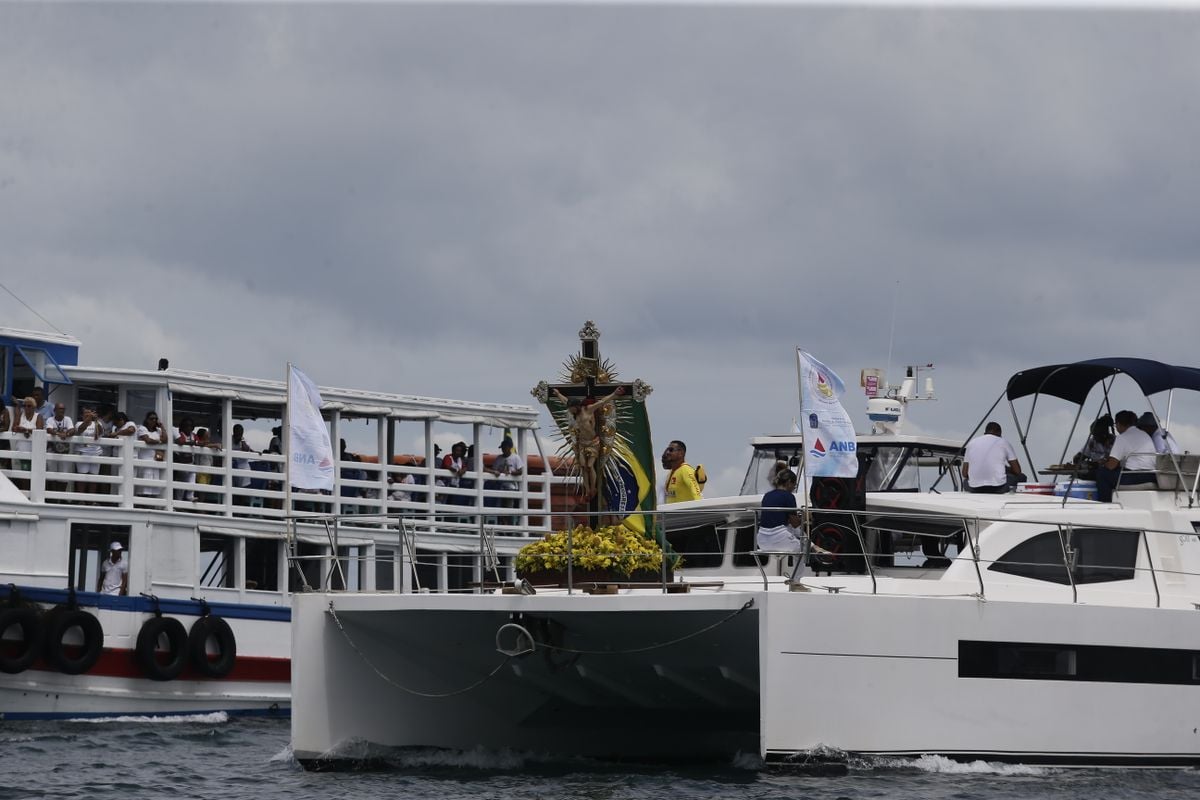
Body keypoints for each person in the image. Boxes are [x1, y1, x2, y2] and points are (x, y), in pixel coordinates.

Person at [551, 386, 624, 499]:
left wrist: (615, 394)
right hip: (582, 443)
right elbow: (565, 400)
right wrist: (557, 393)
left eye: (571, 409)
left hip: (593, 442)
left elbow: (602, 402)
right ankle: (587, 490)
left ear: (576, 406)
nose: (570, 411)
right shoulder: (574, 412)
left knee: (590, 466)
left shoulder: (588, 409)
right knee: (583, 466)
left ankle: (593, 487)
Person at [1096, 410, 1158, 502]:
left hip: (1136, 477)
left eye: (1115, 425)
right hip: (1152, 475)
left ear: (1118, 424)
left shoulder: (1122, 437)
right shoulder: (1144, 434)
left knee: (1102, 473)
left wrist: (1102, 463)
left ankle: (1105, 503)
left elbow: (1111, 466)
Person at [962, 422, 1022, 494]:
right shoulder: (1003, 442)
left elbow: (965, 473)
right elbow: (1017, 471)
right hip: (999, 487)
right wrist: (1006, 469)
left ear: (985, 432)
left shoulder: (972, 443)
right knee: (1022, 477)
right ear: (999, 433)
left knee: (966, 481)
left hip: (974, 488)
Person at [756, 468, 806, 552]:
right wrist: (804, 518)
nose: (794, 488)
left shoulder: (767, 495)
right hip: (778, 538)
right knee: (803, 549)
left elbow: (774, 519)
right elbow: (795, 524)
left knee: (789, 530)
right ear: (789, 482)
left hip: (762, 540)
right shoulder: (788, 496)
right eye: (794, 485)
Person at [487, 436, 524, 525]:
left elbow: (520, 471)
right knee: (499, 507)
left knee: (508, 508)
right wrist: (498, 472)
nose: (503, 449)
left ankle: (509, 527)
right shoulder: (499, 458)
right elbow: (494, 469)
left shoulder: (516, 458)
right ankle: (501, 526)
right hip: (499, 487)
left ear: (510, 448)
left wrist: (510, 472)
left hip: (511, 488)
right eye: (502, 447)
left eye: (505, 447)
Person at [10, 397, 44, 486]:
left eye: (29, 406)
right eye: (24, 405)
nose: (26, 408)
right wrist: (21, 429)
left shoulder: (38, 416)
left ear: (34, 407)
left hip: (34, 451)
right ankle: (25, 495)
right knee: (23, 474)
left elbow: (39, 430)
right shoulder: (21, 415)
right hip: (21, 449)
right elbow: (13, 428)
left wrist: (26, 430)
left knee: (33, 474)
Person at [134, 411, 168, 499]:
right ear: (147, 419)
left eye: (155, 419)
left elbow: (165, 439)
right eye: (151, 418)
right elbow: (147, 440)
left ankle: (151, 503)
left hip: (155, 459)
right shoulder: (142, 428)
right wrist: (159, 441)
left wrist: (162, 427)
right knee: (145, 483)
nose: (154, 420)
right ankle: (142, 503)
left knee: (154, 483)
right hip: (145, 459)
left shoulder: (158, 431)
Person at [44, 402, 75, 495]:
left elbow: (72, 430)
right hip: (52, 450)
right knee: (51, 474)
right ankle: (52, 496)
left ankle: (61, 497)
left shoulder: (68, 419)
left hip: (64, 451)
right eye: (59, 409)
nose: (62, 411)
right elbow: (49, 429)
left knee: (63, 475)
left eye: (63, 409)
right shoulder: (50, 419)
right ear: (54, 410)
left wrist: (67, 434)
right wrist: (59, 434)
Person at [72, 407, 104, 494]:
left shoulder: (98, 423)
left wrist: (96, 420)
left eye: (90, 413)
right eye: (86, 413)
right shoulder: (78, 423)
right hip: (83, 452)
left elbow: (101, 432)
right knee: (82, 476)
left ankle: (92, 500)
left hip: (96, 453)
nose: (88, 415)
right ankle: (81, 499)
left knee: (94, 477)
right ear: (82, 415)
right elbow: (80, 430)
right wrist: (88, 419)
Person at [661, 439, 703, 504]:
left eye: (671, 450)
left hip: (685, 513)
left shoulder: (686, 470)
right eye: (667, 450)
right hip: (671, 512)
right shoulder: (670, 473)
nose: (668, 452)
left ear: (681, 453)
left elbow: (696, 493)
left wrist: (700, 508)